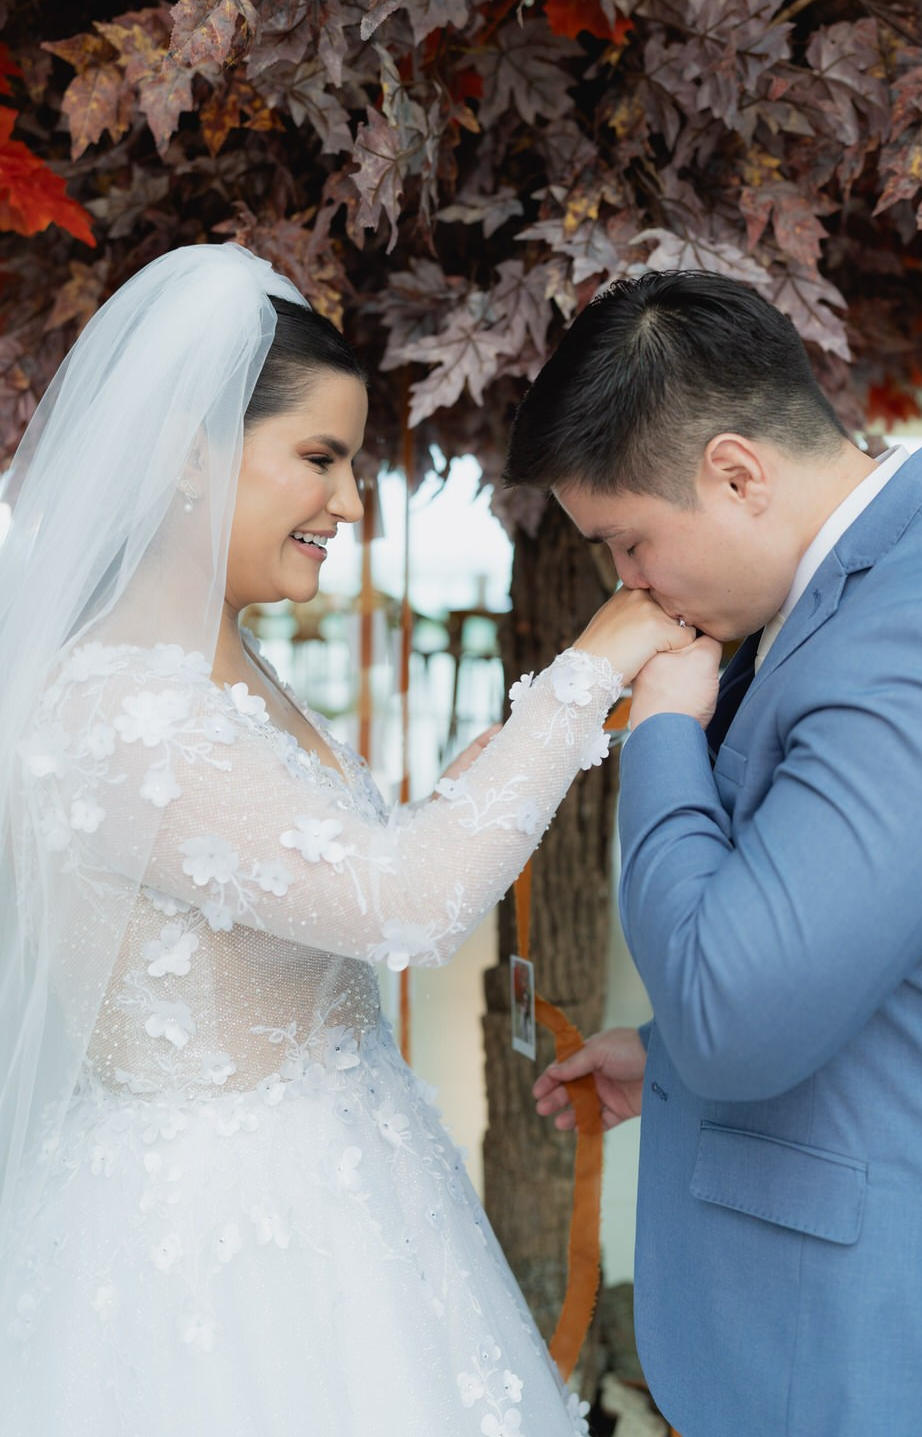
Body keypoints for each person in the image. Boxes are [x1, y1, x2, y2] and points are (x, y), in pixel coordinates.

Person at [0, 242, 696, 1437]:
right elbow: (404, 902)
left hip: (356, 1193)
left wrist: (594, 700)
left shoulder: (232, 670)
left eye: (354, 464)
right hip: (223, 1252)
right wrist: (590, 664)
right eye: (318, 459)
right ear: (186, 454)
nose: (350, 503)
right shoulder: (118, 707)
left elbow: (402, 842)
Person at [506, 269, 922, 1437]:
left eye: (628, 542)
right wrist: (665, 1057)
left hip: (881, 1355)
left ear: (735, 473)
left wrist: (660, 725)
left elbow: (733, 1007)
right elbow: (872, 950)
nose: (629, 586)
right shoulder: (857, 602)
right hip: (815, 1334)